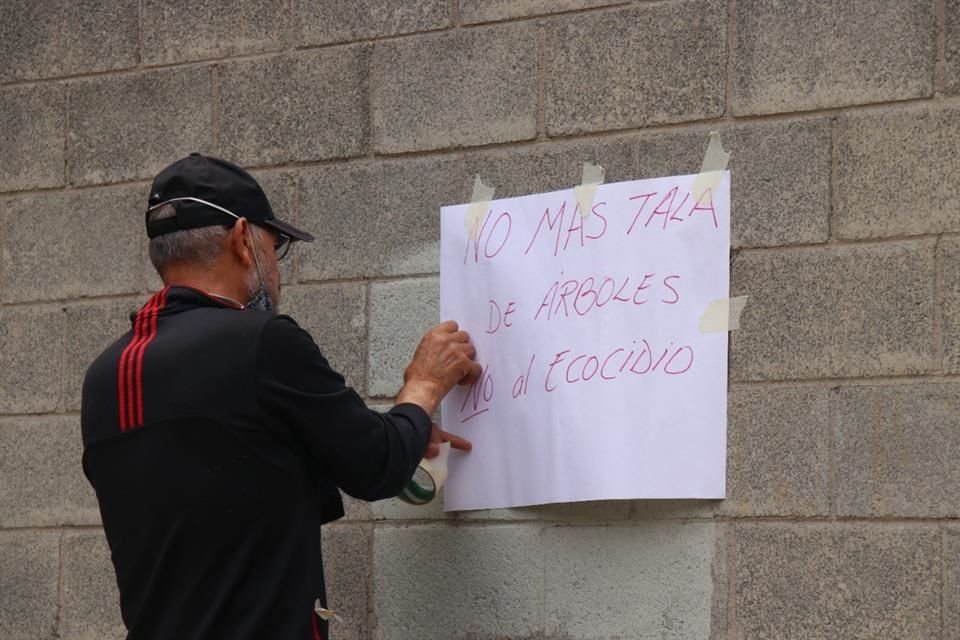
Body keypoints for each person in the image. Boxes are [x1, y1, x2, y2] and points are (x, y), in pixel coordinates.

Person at [80, 153, 481, 640]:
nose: (277, 268)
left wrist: (398, 431)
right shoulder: (261, 342)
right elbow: (377, 466)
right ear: (243, 239)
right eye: (277, 246)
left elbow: (221, 471)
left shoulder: (105, 376)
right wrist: (424, 383)